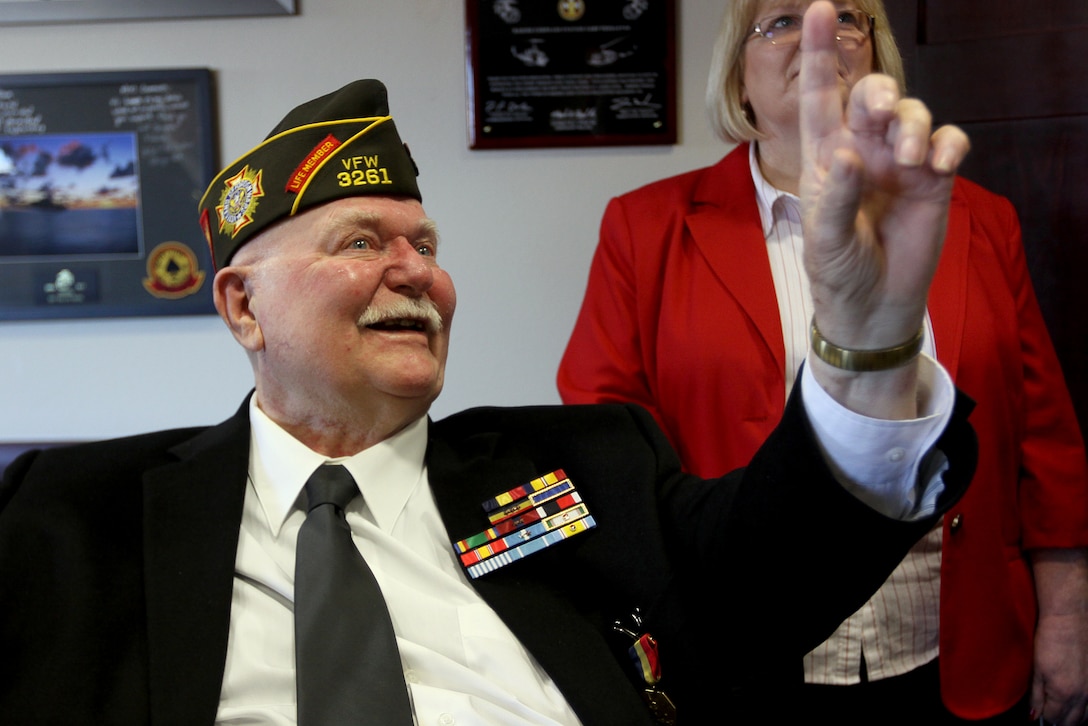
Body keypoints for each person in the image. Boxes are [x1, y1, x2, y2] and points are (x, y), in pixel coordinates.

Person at [1, 5, 976, 724]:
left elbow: (771, 573)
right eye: (357, 241)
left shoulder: (581, 467)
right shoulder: (74, 512)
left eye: (424, 242)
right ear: (242, 305)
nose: (413, 270)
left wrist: (864, 340)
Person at [558, 1, 1088, 724]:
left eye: (849, 16)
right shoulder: (645, 228)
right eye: (780, 20)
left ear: (876, 59)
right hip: (744, 661)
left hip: (959, 652)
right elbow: (608, 455)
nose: (823, 33)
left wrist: (1066, 614)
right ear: (738, 81)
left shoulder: (976, 217)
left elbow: (1045, 435)